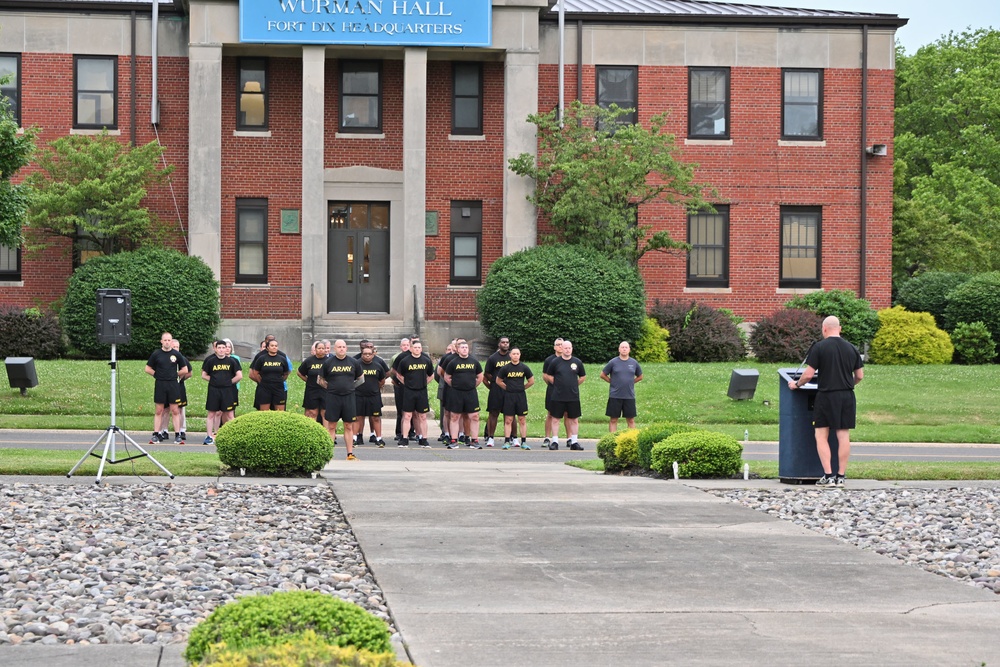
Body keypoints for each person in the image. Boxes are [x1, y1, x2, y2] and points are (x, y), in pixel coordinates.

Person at [788, 316, 864, 488]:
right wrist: (847, 384)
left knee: (821, 435)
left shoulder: (820, 347)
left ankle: (828, 476)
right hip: (846, 396)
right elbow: (859, 376)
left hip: (826, 395)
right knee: (843, 435)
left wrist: (796, 384)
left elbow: (807, 375)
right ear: (840, 328)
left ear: (824, 329)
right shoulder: (852, 348)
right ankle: (841, 477)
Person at [144, 332, 192, 445]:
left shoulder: (176, 354)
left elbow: (185, 369)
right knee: (159, 410)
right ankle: (156, 434)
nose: (167, 342)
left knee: (175, 410)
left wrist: (176, 374)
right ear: (161, 341)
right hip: (160, 384)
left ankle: (177, 435)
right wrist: (156, 375)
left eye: (169, 340)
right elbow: (147, 368)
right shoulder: (156, 354)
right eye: (165, 340)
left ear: (171, 341)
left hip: (173, 385)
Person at [320, 339, 363, 460]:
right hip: (333, 397)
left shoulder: (353, 362)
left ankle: (350, 453)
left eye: (343, 347)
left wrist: (350, 388)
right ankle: (328, 453)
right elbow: (320, 379)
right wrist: (331, 388)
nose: (341, 349)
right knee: (331, 426)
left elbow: (361, 378)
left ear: (346, 348)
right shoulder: (328, 362)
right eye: (339, 347)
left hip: (348, 397)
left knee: (349, 425)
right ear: (334, 348)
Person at [543, 339, 586, 450]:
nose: (567, 350)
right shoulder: (555, 362)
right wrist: (557, 384)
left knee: (574, 419)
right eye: (565, 348)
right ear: (562, 349)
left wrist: (573, 385)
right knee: (555, 418)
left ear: (572, 349)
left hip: (573, 396)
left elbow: (582, 377)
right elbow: (548, 375)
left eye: (569, 348)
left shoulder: (577, 362)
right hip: (558, 395)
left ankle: (574, 442)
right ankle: (555, 441)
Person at [394, 339, 434, 449]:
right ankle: (404, 439)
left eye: (419, 348)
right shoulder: (405, 361)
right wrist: (406, 384)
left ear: (421, 349)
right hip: (409, 392)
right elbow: (399, 375)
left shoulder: (426, 360)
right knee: (407, 415)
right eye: (415, 347)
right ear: (411, 348)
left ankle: (423, 439)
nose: (417, 349)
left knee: (422, 416)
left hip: (421, 391)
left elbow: (431, 375)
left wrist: (424, 383)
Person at [445, 340, 484, 449]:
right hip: (456, 393)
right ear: (457, 350)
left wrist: (471, 385)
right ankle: (454, 440)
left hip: (470, 393)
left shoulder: (474, 362)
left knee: (474, 416)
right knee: (455, 416)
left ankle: (474, 440)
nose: (464, 349)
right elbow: (447, 377)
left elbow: (480, 377)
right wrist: (456, 385)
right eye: (462, 347)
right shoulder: (453, 362)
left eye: (466, 347)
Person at [201, 340, 242, 445]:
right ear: (215, 349)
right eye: (219, 348)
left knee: (229, 414)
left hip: (227, 391)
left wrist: (228, 382)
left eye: (223, 348)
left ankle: (235, 436)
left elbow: (239, 375)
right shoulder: (210, 361)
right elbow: (204, 375)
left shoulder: (232, 361)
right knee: (211, 413)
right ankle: (209, 436)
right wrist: (215, 381)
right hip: (214, 390)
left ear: (226, 349)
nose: (221, 350)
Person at [494, 347, 534, 450]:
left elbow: (531, 381)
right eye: (514, 354)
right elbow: (498, 381)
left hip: (520, 396)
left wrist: (522, 388)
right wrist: (507, 388)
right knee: (508, 419)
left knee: (522, 419)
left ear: (520, 355)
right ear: (510, 355)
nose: (516, 355)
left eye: (517, 354)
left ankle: (524, 442)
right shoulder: (506, 368)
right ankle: (507, 441)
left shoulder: (524, 368)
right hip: (509, 396)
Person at [353, 340, 390, 445]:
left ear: (373, 354)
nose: (367, 356)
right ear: (362, 354)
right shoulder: (356, 364)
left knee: (376, 417)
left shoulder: (378, 365)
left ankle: (378, 439)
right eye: (365, 354)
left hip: (374, 396)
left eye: (369, 354)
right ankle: (355, 438)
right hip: (358, 395)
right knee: (358, 417)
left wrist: (375, 387)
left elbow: (382, 379)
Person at [600, 341, 643, 432]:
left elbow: (640, 376)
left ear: (629, 350)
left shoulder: (634, 363)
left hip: (629, 396)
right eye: (622, 347)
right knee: (613, 419)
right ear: (619, 349)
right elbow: (603, 375)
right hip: (615, 395)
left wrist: (632, 382)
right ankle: (612, 440)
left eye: (626, 347)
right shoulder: (613, 362)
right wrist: (612, 382)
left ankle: (632, 439)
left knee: (631, 420)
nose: (624, 349)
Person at [483, 336, 513, 447]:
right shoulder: (493, 358)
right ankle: (490, 437)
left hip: (510, 390)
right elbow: (486, 374)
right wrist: (493, 385)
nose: (505, 344)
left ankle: (512, 437)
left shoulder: (512, 357)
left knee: (510, 415)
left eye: (507, 342)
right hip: (496, 390)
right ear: (499, 344)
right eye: (503, 342)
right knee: (493, 414)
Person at [250, 338, 290, 410]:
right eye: (272, 346)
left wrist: (280, 380)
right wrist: (261, 381)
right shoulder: (261, 359)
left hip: (278, 388)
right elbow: (255, 372)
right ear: (267, 347)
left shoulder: (282, 359)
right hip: (265, 388)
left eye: (276, 346)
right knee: (264, 413)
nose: (274, 347)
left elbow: (286, 373)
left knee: (280, 413)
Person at [298, 339, 330, 423]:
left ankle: (327, 435)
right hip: (312, 390)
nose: (321, 350)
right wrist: (308, 381)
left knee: (325, 413)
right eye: (319, 348)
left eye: (323, 348)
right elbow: (299, 373)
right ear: (315, 350)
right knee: (312, 412)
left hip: (325, 390)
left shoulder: (329, 361)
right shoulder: (309, 361)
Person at [390, 337, 415, 442]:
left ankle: (411, 432)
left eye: (407, 345)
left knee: (411, 411)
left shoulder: (414, 356)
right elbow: (393, 371)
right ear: (401, 347)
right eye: (403, 345)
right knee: (401, 410)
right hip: (400, 386)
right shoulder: (399, 357)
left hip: (412, 387)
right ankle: (399, 432)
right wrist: (397, 381)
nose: (405, 347)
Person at [542, 337, 564, 448]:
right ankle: (547, 437)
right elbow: (545, 376)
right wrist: (554, 384)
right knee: (550, 414)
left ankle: (570, 439)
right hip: (552, 389)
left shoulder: (569, 359)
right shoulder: (549, 360)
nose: (560, 346)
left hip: (566, 391)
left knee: (567, 414)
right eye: (558, 344)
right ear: (554, 347)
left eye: (562, 344)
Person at [435, 339, 458, 443]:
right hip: (444, 387)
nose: (450, 350)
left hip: (457, 389)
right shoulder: (444, 360)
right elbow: (437, 374)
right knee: (445, 412)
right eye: (448, 349)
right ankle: (445, 432)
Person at [222, 338, 241, 422]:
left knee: (230, 410)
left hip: (232, 387)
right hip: (219, 388)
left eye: (229, 347)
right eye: (225, 347)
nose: (227, 349)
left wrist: (229, 383)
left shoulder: (235, 360)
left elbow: (239, 375)